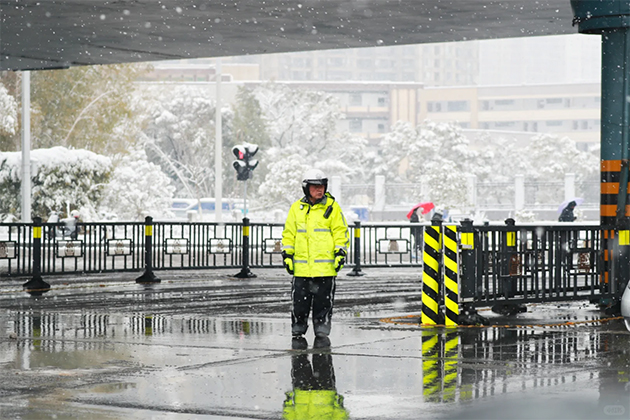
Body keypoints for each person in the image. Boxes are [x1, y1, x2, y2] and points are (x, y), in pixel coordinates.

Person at [282, 168, 349, 339]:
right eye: (315, 187)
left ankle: (322, 330)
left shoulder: (332, 208)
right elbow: (289, 233)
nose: (320, 190)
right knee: (299, 304)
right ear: (306, 188)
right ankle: (298, 328)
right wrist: (287, 255)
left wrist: (340, 253)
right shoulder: (297, 208)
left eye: (322, 186)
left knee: (323, 304)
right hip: (302, 269)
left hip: (325, 269)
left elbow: (340, 232)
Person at [283, 337, 349, 420]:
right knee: (301, 362)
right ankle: (300, 339)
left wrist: (338, 403)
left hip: (323, 394)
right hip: (305, 394)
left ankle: (319, 339)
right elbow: (289, 414)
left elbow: (340, 415)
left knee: (321, 362)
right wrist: (288, 402)